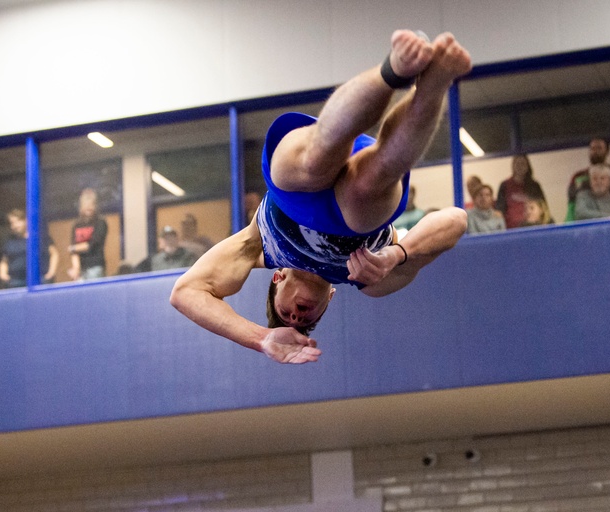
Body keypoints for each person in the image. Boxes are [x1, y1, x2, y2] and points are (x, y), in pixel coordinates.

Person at [170, 30, 471, 364]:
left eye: (285, 313)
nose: (297, 318)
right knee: (369, 186)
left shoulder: (258, 247)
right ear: (331, 296)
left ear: (278, 277)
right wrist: (396, 255)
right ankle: (434, 84)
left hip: (294, 185)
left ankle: (393, 70)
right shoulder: (369, 278)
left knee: (315, 160)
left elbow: (186, 293)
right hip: (359, 208)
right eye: (309, 322)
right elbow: (456, 221)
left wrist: (263, 338)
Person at [566, 137, 610, 221]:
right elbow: (571, 194)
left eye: (599, 148)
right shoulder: (578, 175)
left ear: (607, 151)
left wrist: (582, 184)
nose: (595, 151)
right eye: (593, 148)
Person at [0, 208, 58, 287]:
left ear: (26, 220)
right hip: (15, 282)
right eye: (12, 223)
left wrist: (51, 272)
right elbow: (4, 261)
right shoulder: (10, 241)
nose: (15, 225)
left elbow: (54, 254)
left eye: (18, 221)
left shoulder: (40, 236)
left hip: (40, 279)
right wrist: (3, 274)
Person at [495, 154, 546, 229]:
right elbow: (500, 209)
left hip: (532, 227)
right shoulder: (505, 185)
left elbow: (543, 206)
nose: (520, 167)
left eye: (522, 164)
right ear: (513, 166)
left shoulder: (534, 185)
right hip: (511, 228)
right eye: (517, 164)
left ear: (527, 166)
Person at [68, 188, 108, 281]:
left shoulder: (100, 222)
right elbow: (73, 249)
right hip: (80, 268)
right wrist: (76, 268)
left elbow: (91, 244)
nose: (89, 208)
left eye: (91, 205)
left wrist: (73, 248)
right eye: (86, 205)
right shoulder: (77, 224)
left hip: (95, 266)